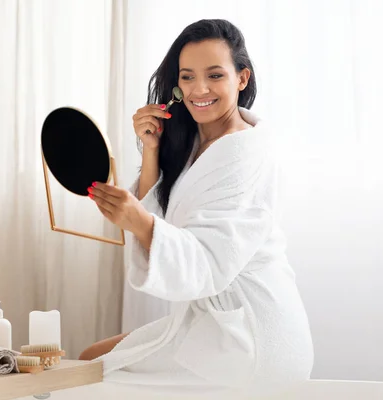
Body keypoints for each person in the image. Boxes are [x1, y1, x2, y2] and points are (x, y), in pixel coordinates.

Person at [79, 18, 314, 397]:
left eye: (215, 75)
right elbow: (160, 214)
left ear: (242, 78)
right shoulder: (195, 144)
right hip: (213, 321)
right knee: (90, 357)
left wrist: (139, 223)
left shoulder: (247, 155)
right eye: (187, 77)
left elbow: (208, 261)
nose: (199, 89)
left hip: (250, 336)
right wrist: (152, 149)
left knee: (94, 371)